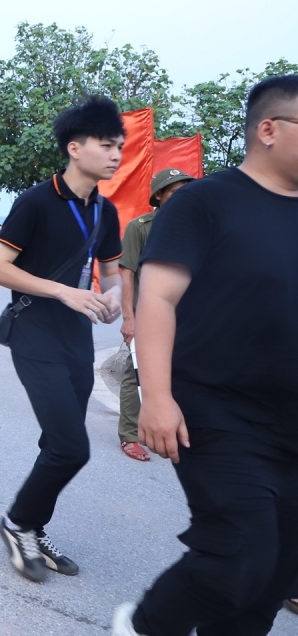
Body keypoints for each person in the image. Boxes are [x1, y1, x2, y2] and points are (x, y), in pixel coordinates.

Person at [113, 75, 298, 635]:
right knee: (238, 547)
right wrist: (157, 397)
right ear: (269, 130)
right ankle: (144, 627)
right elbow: (158, 298)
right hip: (215, 409)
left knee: (275, 570)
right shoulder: (204, 201)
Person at [0, 95, 124, 583]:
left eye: (119, 146)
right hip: (34, 331)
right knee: (72, 447)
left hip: (76, 336)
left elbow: (110, 269)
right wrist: (64, 291)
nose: (116, 155)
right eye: (107, 145)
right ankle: (16, 523)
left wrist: (115, 297)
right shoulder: (37, 201)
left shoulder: (105, 210)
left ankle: (34, 526)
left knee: (55, 441)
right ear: (74, 148)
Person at [115, 168, 194, 463]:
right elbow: (127, 275)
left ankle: (173, 426)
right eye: (175, 190)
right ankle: (130, 435)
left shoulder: (196, 225)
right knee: (135, 370)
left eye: (187, 189)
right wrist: (129, 318)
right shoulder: (141, 227)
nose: (182, 195)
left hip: (186, 315)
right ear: (159, 196)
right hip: (147, 314)